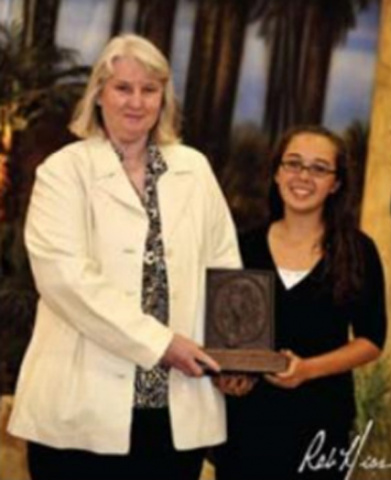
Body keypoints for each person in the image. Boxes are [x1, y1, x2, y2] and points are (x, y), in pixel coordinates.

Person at [8, 33, 241, 480]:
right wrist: (162, 345)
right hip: (78, 418)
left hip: (173, 412)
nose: (136, 102)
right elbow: (66, 281)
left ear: (163, 99)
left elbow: (224, 268)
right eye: (123, 88)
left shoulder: (194, 169)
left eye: (149, 89)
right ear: (98, 95)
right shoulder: (63, 172)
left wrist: (234, 355)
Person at [213, 125, 387, 480]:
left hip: (321, 430)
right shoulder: (240, 247)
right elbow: (226, 339)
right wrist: (227, 376)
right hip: (247, 428)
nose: (303, 176)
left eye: (319, 168)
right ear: (277, 172)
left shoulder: (358, 251)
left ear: (336, 183)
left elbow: (372, 341)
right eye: (293, 164)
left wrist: (308, 369)